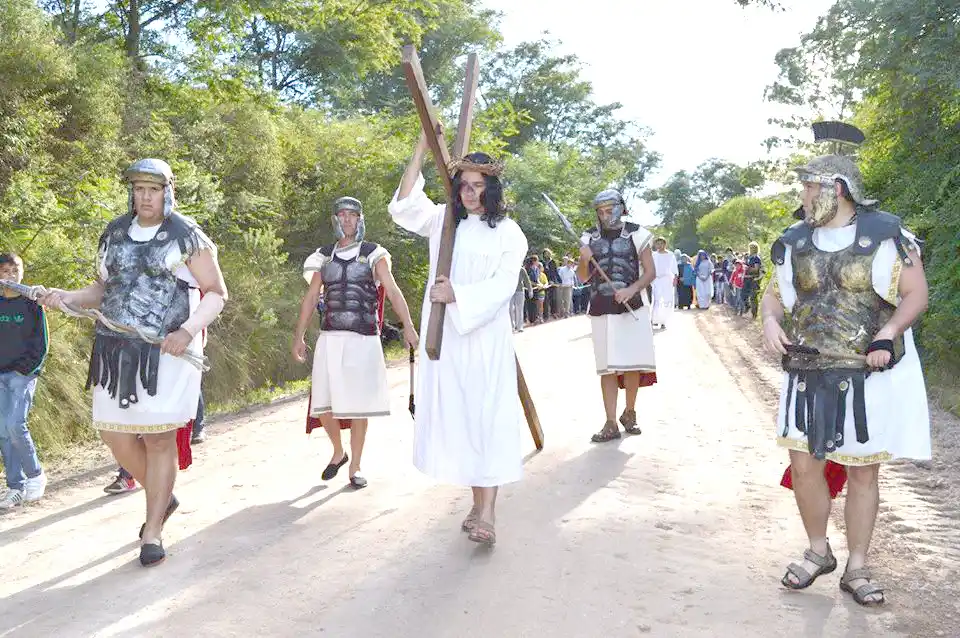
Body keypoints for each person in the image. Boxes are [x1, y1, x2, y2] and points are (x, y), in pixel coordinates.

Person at [761, 151, 930, 606]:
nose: (803, 195)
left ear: (836, 189)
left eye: (809, 186)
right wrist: (772, 323)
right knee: (804, 466)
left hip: (866, 374)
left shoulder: (887, 236)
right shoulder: (794, 240)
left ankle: (857, 565)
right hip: (808, 368)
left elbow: (916, 294)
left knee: (862, 471)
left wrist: (888, 333)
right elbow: (775, 297)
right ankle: (819, 551)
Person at [40, 159, 227, 567]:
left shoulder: (187, 235)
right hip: (115, 349)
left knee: (159, 439)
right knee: (114, 434)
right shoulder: (115, 233)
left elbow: (215, 292)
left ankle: (153, 530)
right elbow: (101, 290)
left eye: (153, 189)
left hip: (167, 351)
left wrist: (187, 331)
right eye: (139, 188)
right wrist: (64, 297)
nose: (145, 196)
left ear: (168, 192)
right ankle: (162, 496)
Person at [389, 136, 528, 546]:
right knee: (465, 418)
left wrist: (459, 296)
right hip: (446, 338)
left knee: (486, 417)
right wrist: (419, 147)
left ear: (493, 189)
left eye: (479, 186)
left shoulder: (509, 233)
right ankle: (475, 502)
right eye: (464, 185)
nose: (470, 194)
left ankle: (488, 512)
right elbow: (403, 205)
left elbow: (504, 286)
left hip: (484, 338)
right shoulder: (443, 221)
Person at [293, 196, 418, 490]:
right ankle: (338, 451)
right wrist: (298, 335)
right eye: (342, 216)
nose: (347, 220)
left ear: (360, 219)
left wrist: (409, 327)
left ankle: (356, 466)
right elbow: (311, 298)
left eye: (353, 215)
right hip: (330, 336)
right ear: (336, 220)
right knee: (323, 404)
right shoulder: (322, 257)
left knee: (360, 406)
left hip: (363, 337)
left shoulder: (375, 254)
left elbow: (393, 290)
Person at [576, 189, 657, 443]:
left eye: (609, 210)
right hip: (601, 307)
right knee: (607, 369)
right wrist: (584, 258)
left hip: (631, 307)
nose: (604, 215)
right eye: (600, 211)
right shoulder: (589, 237)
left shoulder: (637, 233)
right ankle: (610, 422)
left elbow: (650, 272)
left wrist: (631, 289)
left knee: (631, 364)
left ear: (621, 208)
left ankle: (629, 413)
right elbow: (582, 277)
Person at [0, 253, 49, 509]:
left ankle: (35, 475)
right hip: (0, 375)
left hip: (23, 375)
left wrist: (27, 370)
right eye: (5, 271)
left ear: (22, 273)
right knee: (2, 431)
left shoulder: (32, 304)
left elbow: (42, 343)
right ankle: (15, 486)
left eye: (14, 270)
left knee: (15, 424)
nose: (10, 276)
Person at [650, 237, 678, 329]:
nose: (659, 245)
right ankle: (655, 319)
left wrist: (675, 278)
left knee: (666, 299)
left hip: (667, 280)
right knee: (656, 299)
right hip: (656, 280)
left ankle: (663, 321)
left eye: (661, 243)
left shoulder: (670, 255)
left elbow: (674, 268)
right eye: (657, 243)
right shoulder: (654, 255)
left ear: (665, 244)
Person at [743, 241, 763, 318]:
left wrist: (748, 268)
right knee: (744, 295)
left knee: (753, 297)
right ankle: (747, 308)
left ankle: (754, 314)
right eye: (750, 247)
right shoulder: (748, 257)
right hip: (746, 279)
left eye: (753, 247)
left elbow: (756, 269)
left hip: (754, 279)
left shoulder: (756, 258)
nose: (751, 249)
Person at [511, 266, 532, 332]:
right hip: (510, 291)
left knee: (519, 309)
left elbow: (527, 280)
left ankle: (520, 326)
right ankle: (512, 326)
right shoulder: (508, 268)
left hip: (519, 290)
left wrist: (530, 290)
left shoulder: (521, 269)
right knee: (511, 309)